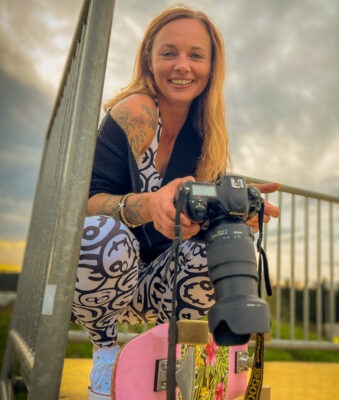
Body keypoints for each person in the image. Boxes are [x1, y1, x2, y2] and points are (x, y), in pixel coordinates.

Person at [71, 6, 280, 400]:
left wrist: (233, 214)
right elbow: (81, 207)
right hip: (106, 278)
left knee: (219, 243)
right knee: (100, 234)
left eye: (196, 55)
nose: (182, 66)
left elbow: (202, 223)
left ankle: (176, 355)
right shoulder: (135, 112)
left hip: (162, 283)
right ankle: (105, 353)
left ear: (212, 65)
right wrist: (149, 206)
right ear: (149, 58)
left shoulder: (207, 135)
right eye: (169, 53)